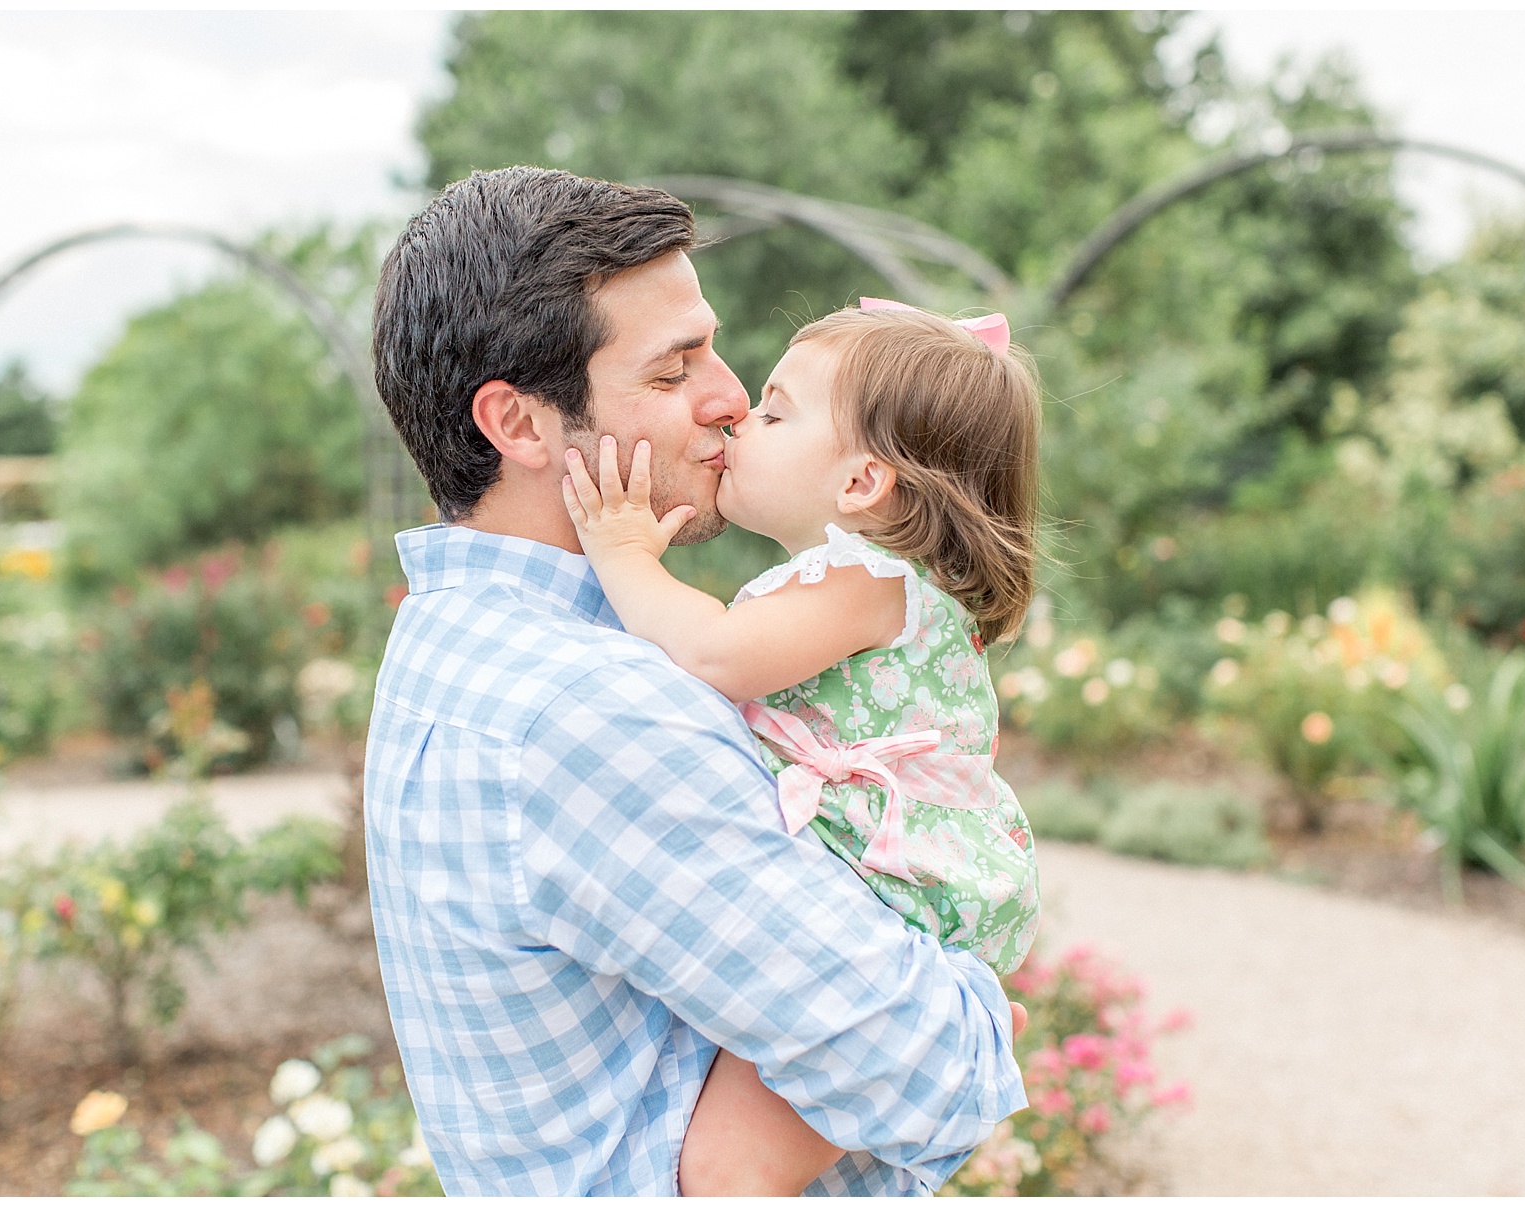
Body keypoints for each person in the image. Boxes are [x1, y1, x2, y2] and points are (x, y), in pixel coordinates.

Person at [365, 165, 1026, 1196]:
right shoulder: (589, 713)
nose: (727, 397)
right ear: (523, 426)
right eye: (675, 371)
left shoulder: (453, 639)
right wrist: (981, 1012)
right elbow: (925, 1075)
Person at [561, 299, 1042, 1195]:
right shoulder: (855, 585)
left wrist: (622, 554)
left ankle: (955, 1038)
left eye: (777, 412)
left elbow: (713, 656)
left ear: (861, 484)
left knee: (725, 1173)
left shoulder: (865, 579)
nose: (742, 416)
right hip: (870, 895)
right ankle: (953, 1038)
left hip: (886, 902)